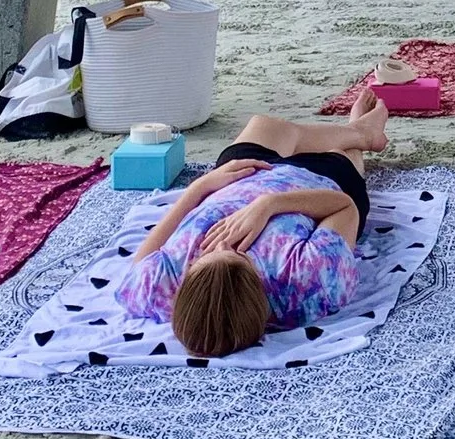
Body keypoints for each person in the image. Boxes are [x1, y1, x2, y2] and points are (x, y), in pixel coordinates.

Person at [116, 92, 389, 357]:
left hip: (240, 175)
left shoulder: (159, 290)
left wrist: (198, 189)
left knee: (265, 126)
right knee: (344, 157)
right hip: (317, 181)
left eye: (205, 255)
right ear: (259, 283)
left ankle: (358, 131)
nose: (223, 242)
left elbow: (140, 262)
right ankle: (361, 135)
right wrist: (270, 205)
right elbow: (344, 207)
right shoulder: (306, 282)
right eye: (237, 253)